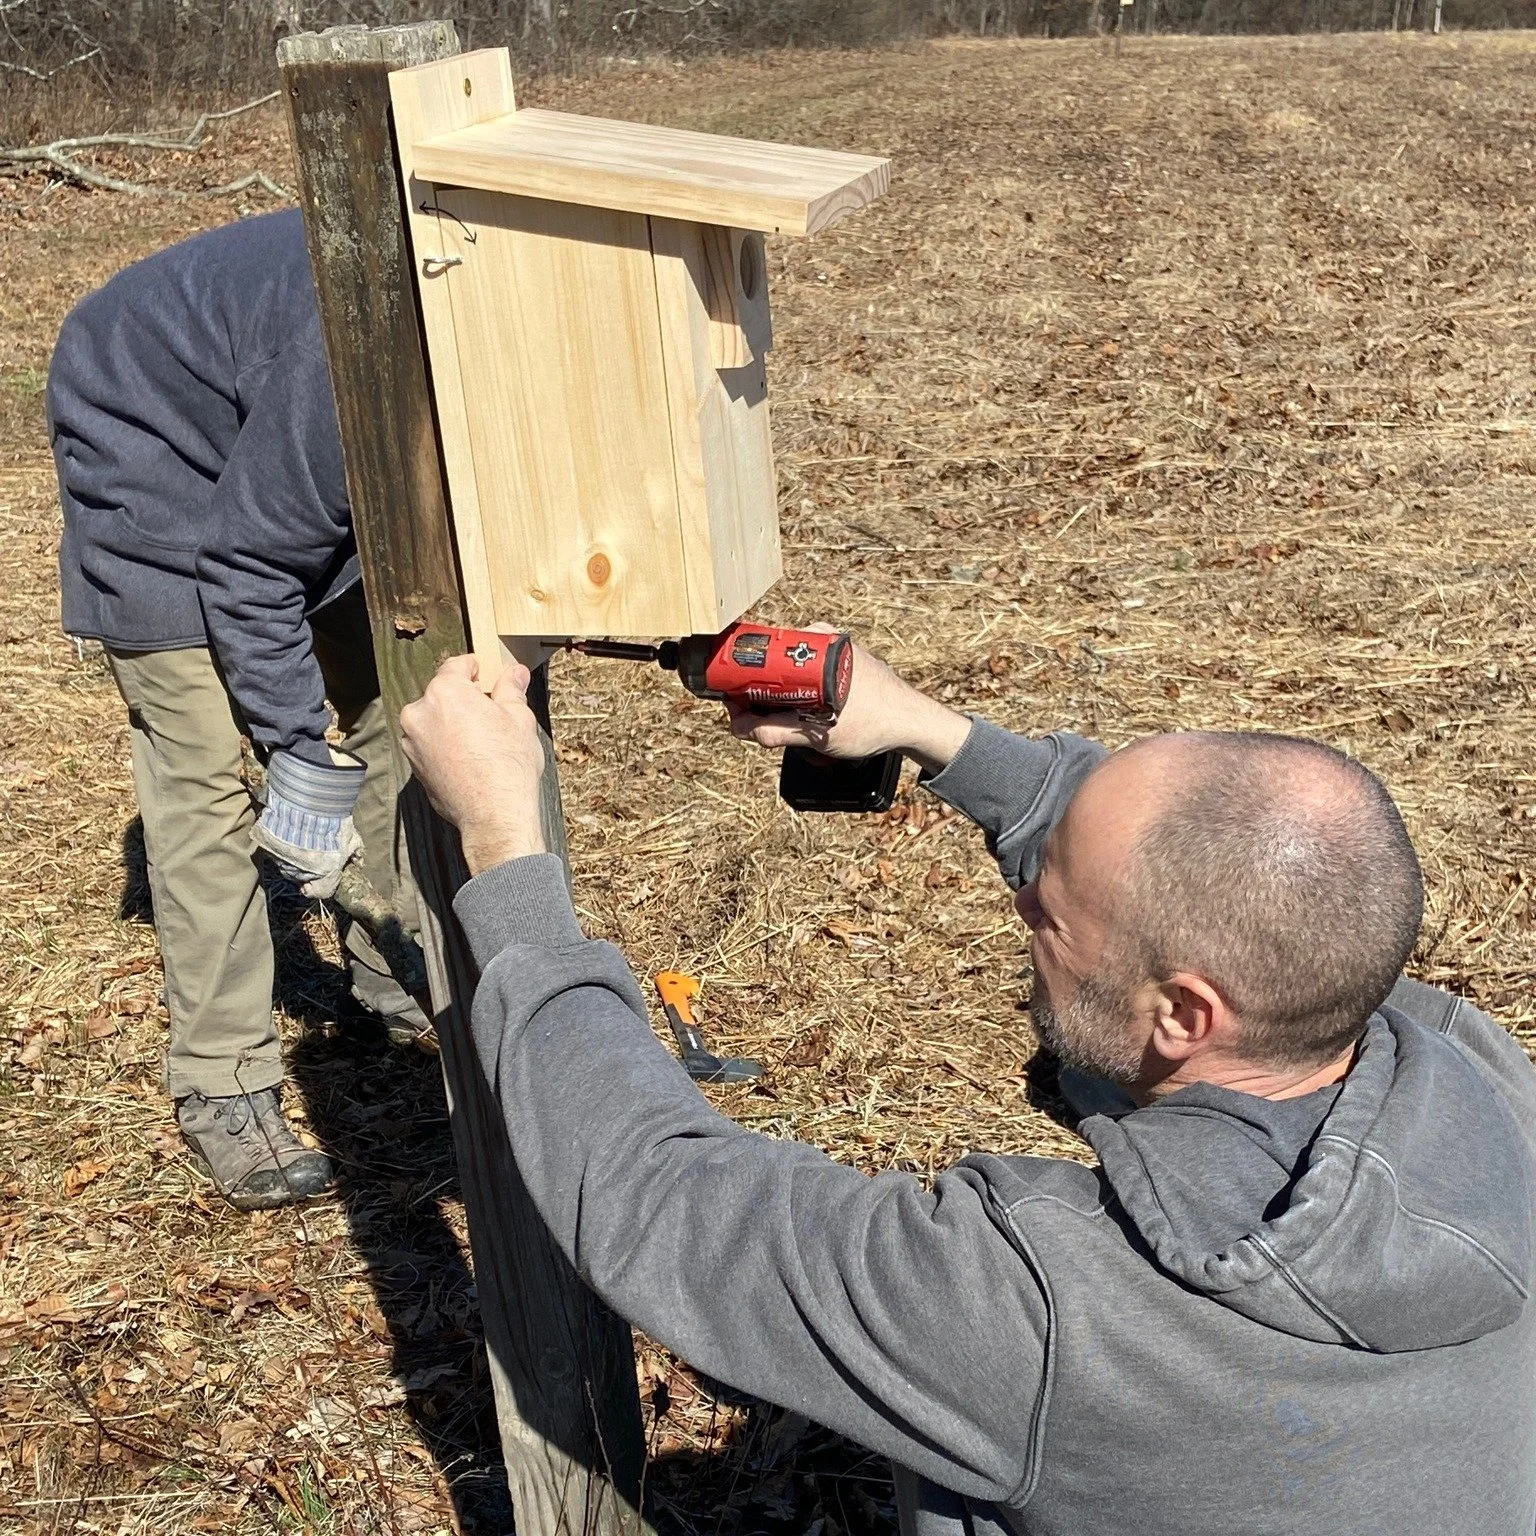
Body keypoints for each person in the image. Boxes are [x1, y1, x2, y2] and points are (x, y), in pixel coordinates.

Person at [398, 643, 1536, 1535]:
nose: (1023, 907)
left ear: (1186, 1016)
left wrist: (505, 849)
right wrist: (932, 734)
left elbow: (657, 1196)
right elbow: (1208, 864)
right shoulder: (1473, 1070)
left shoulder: (1046, 1307)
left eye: (1049, 911)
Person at [48, 210, 425, 1212]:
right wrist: (298, 756)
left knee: (397, 700)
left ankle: (393, 977)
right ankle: (226, 1080)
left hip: (284, 446)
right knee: (205, 773)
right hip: (153, 432)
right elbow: (251, 562)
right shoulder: (357, 357)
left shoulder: (469, 339)